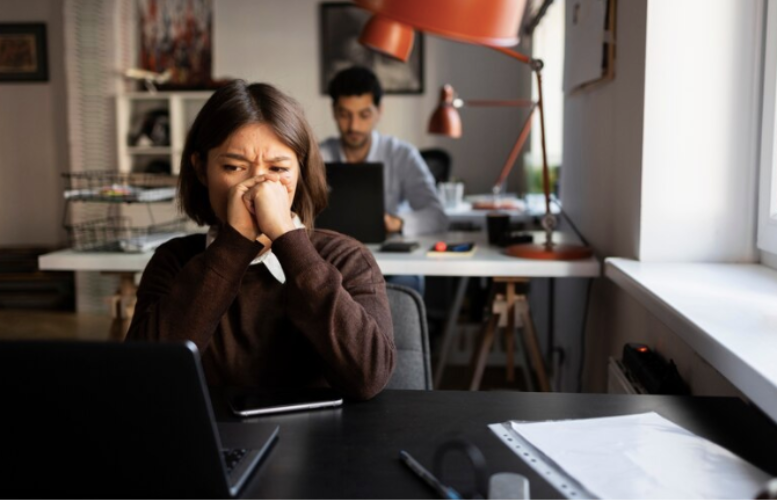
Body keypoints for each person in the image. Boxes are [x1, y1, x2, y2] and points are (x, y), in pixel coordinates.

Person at [126, 81, 395, 401]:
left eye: (278, 168)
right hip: (214, 444)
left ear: (300, 172)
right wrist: (235, 243)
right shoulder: (174, 261)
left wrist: (288, 240)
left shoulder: (346, 257)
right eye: (234, 167)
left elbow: (368, 378)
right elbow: (144, 377)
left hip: (322, 444)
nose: (257, 186)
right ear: (201, 169)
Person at [319, 66, 448, 237]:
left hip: (388, 256)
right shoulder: (317, 156)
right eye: (344, 115)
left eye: (364, 115)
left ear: (379, 111)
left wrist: (397, 222)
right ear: (334, 111)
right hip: (329, 251)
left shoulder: (402, 154)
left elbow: (437, 216)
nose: (354, 126)